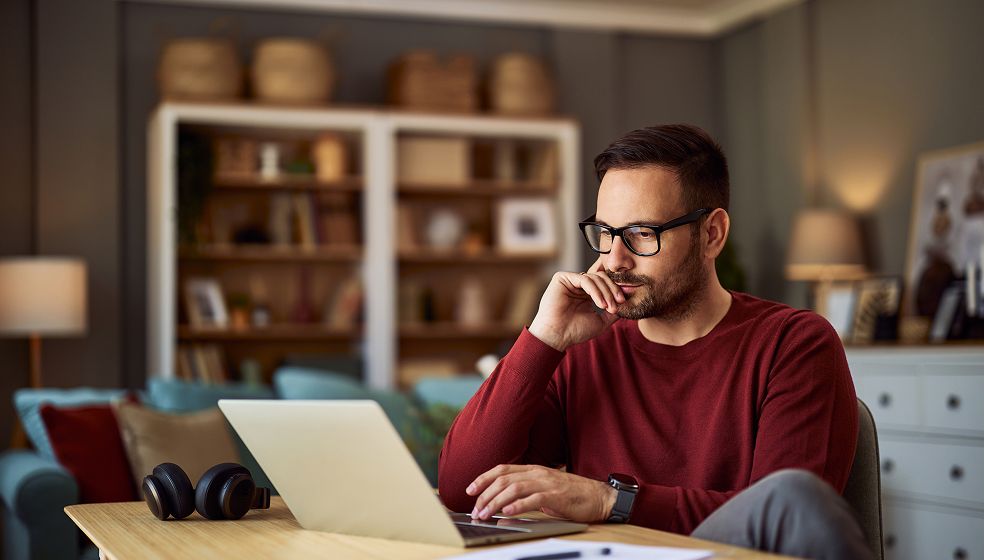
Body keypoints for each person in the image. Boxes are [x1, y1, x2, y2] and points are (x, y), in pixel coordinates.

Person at [438, 124, 872, 560]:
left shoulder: (794, 344)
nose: (614, 260)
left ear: (712, 234)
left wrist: (612, 501)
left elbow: (788, 515)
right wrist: (543, 338)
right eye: (605, 233)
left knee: (794, 494)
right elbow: (461, 490)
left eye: (643, 233)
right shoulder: (584, 351)